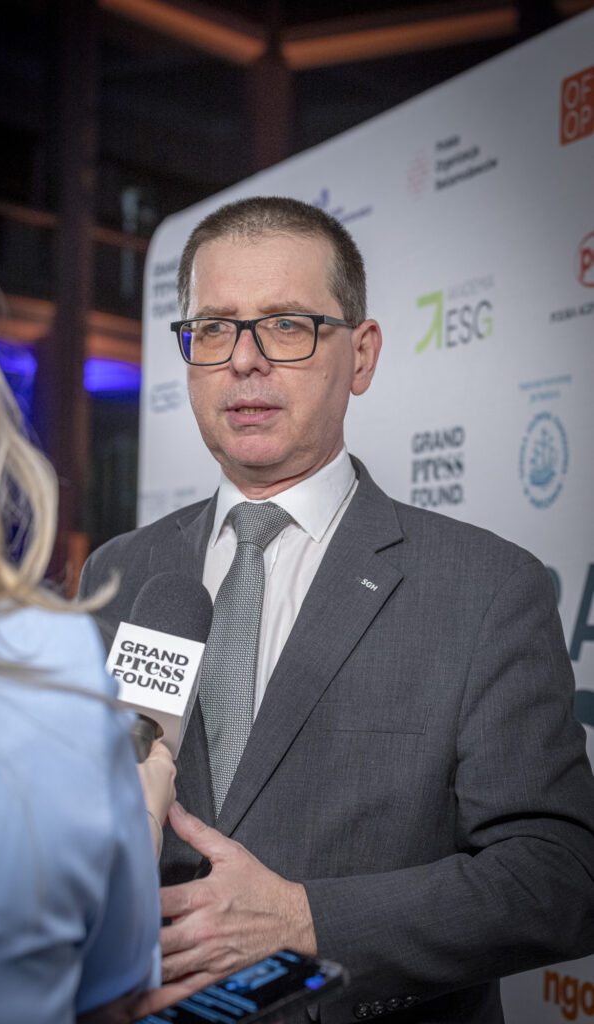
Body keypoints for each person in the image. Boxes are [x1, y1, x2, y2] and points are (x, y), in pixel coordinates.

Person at [79, 196, 594, 1024]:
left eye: (286, 325)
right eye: (213, 328)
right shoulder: (118, 573)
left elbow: (558, 876)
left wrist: (308, 921)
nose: (244, 360)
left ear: (360, 354)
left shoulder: (486, 587)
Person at [0, 196, 176, 1024]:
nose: (242, 362)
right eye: (208, 331)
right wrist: (136, 813)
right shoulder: (51, 653)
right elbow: (111, 988)